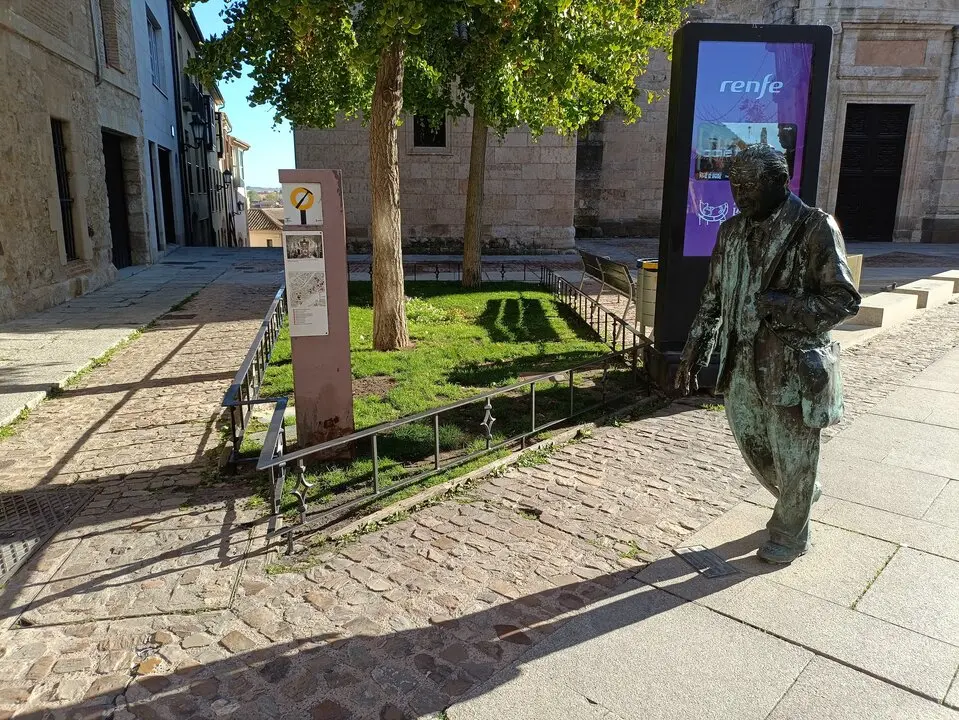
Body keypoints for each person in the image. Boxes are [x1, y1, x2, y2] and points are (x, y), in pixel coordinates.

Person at [674, 144, 861, 564]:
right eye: (735, 186)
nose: (740, 195)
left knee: (795, 451)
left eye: (749, 186)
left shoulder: (814, 227)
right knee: (755, 447)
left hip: (792, 364)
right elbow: (714, 295)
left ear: (780, 182)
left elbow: (844, 301)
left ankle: (790, 532)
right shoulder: (732, 231)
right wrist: (695, 350)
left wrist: (782, 304)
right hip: (741, 362)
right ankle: (801, 492)